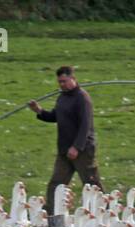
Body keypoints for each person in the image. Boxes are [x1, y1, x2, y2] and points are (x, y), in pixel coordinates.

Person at [29, 66, 103, 214]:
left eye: (64, 81)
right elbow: (55, 117)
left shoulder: (82, 98)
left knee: (91, 183)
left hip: (83, 150)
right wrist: (39, 111)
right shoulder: (62, 97)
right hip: (64, 150)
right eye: (59, 82)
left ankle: (103, 211)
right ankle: (50, 214)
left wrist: (76, 147)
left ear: (73, 79)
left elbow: (85, 125)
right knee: (56, 184)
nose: (61, 84)